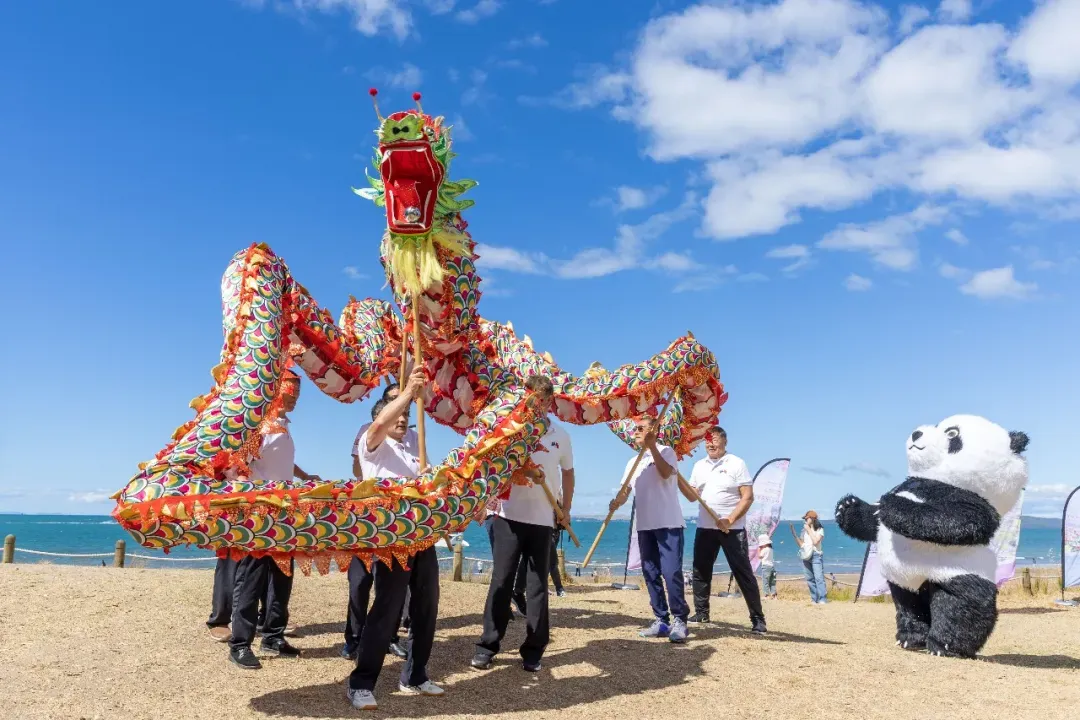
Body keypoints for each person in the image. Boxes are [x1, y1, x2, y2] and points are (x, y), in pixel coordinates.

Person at [347, 367, 443, 711]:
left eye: (407, 416)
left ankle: (415, 675)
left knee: (426, 606)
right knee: (386, 608)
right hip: (391, 539)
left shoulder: (414, 448)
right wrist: (408, 392)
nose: (403, 419)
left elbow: (430, 480)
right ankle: (361, 683)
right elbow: (377, 426)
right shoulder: (372, 444)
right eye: (397, 415)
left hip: (422, 535)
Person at [471, 376, 572, 673]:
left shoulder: (560, 435)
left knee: (538, 585)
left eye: (543, 400)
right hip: (508, 516)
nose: (537, 405)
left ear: (550, 401)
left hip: (543, 520)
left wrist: (565, 509)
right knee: (501, 582)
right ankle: (488, 645)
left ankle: (534, 649)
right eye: (532, 399)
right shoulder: (511, 429)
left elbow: (568, 473)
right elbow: (493, 463)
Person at [228, 370, 321, 669]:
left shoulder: (283, 426)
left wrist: (305, 477)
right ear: (278, 392)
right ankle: (240, 642)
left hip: (284, 511)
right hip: (259, 513)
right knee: (251, 577)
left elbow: (282, 462)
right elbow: (238, 465)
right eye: (291, 393)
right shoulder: (257, 427)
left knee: (282, 575)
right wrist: (250, 494)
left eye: (297, 394)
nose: (295, 399)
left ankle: (273, 634)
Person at [342, 381, 414, 661]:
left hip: (402, 523)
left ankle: (389, 635)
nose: (403, 412)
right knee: (360, 582)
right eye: (396, 402)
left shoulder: (410, 437)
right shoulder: (369, 431)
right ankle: (355, 636)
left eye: (406, 406)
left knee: (393, 585)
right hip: (369, 515)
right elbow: (359, 465)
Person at [608, 417, 689, 643]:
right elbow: (625, 491)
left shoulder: (666, 452)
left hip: (669, 523)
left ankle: (680, 620)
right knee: (650, 573)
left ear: (654, 430)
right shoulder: (633, 461)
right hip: (644, 526)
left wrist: (652, 446)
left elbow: (664, 474)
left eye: (641, 428)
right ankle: (661, 619)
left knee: (671, 572)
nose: (636, 432)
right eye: (636, 428)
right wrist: (617, 501)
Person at [686, 426, 767, 634]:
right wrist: (676, 477)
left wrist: (730, 519)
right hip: (705, 527)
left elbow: (748, 497)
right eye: (707, 441)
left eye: (714, 440)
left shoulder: (736, 463)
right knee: (700, 570)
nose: (710, 444)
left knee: (743, 573)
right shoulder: (699, 466)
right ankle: (702, 613)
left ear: (724, 442)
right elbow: (691, 495)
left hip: (732, 529)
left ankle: (758, 619)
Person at [791, 510, 827, 604]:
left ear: (812, 518)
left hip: (816, 555)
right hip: (806, 556)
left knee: (819, 578)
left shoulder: (820, 530)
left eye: (806, 518)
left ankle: (822, 598)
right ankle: (814, 599)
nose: (805, 520)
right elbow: (802, 544)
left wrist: (809, 529)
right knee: (809, 578)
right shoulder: (804, 531)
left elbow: (816, 542)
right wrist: (794, 535)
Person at [758, 534, 777, 599]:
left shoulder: (764, 550)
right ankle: (774, 595)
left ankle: (766, 595)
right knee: (772, 582)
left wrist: (759, 550)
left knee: (765, 581)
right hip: (772, 566)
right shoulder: (771, 549)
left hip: (766, 567)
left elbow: (760, 557)